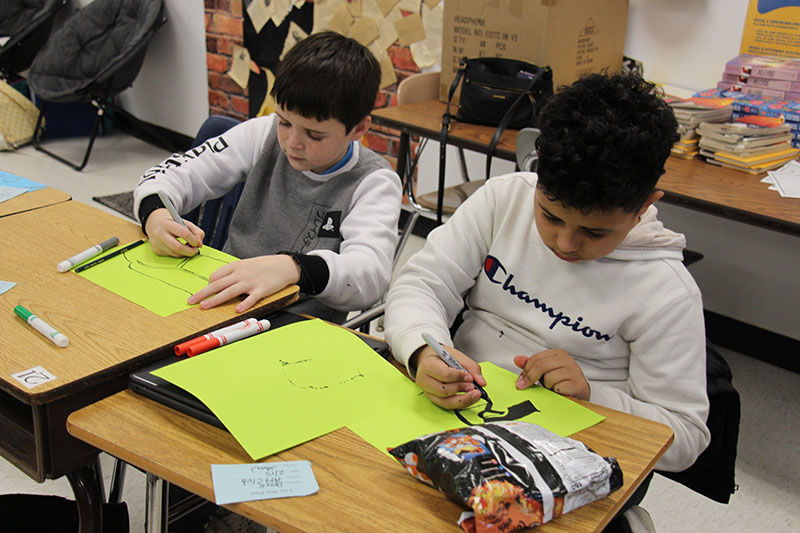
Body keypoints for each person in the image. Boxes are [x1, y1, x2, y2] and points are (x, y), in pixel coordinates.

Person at [384, 72, 711, 477]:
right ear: (536, 171)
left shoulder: (666, 292)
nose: (566, 243)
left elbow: (685, 437)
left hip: (568, 454)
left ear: (645, 205)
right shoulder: (503, 200)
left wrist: (593, 395)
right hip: (454, 412)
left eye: (594, 231)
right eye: (550, 216)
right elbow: (420, 285)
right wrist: (422, 351)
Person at [133, 31, 400, 322]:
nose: (292, 142)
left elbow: (370, 275)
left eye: (314, 134)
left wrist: (294, 268)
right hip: (220, 304)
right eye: (284, 122)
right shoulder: (263, 134)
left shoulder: (374, 182)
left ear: (359, 129)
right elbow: (169, 174)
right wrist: (156, 216)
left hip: (293, 328)